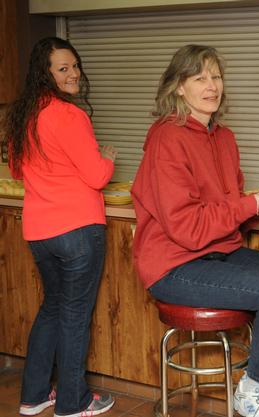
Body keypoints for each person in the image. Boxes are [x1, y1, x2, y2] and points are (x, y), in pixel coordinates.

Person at [131, 44, 259, 417]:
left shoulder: (224, 137)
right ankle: (255, 390)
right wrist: (254, 203)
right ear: (178, 87)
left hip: (220, 252)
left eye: (216, 76)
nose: (211, 85)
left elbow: (227, 208)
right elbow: (186, 226)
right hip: (175, 265)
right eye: (199, 77)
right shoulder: (166, 138)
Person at [2, 37, 117, 416]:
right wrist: (108, 158)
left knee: (52, 309)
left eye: (74, 66)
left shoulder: (24, 115)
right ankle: (73, 402)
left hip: (39, 232)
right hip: (78, 230)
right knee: (74, 316)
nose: (73, 74)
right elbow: (97, 175)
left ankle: (34, 396)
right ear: (45, 74)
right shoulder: (69, 116)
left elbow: (18, 171)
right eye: (62, 69)